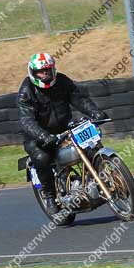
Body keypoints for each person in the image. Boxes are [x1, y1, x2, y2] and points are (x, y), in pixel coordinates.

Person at [17, 53, 108, 216]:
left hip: (64, 128)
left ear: (53, 69)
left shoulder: (62, 81)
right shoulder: (26, 91)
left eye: (47, 70)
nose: (45, 74)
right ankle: (50, 196)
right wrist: (43, 136)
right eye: (40, 72)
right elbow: (26, 120)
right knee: (42, 158)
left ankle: (100, 179)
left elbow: (79, 99)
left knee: (91, 144)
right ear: (32, 72)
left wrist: (95, 112)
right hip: (37, 136)